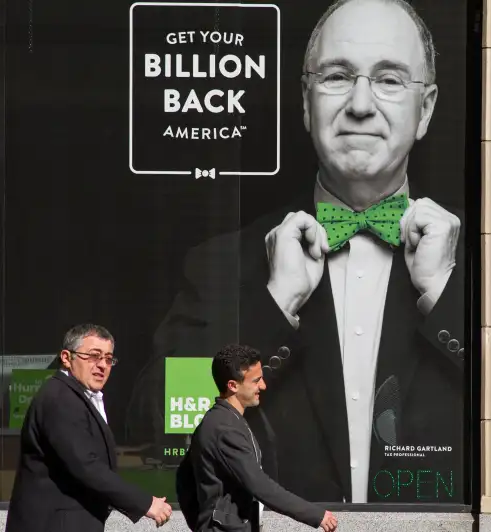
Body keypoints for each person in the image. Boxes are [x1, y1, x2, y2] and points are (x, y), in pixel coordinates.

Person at [129, 0, 466, 504]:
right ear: (306, 103)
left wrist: (443, 294)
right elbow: (160, 419)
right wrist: (274, 304)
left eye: (390, 80)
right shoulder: (223, 262)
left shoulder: (480, 271)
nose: (360, 104)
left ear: (428, 109)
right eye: (336, 76)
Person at [6, 324, 172, 532]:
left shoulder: (75, 395)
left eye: (108, 358)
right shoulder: (60, 399)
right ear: (66, 358)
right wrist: (146, 503)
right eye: (94, 356)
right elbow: (85, 465)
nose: (102, 365)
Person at [176, 344, 338, 532]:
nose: (263, 385)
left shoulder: (225, 420)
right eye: (256, 381)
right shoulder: (224, 428)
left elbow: (183, 480)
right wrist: (316, 515)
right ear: (233, 385)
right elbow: (260, 485)